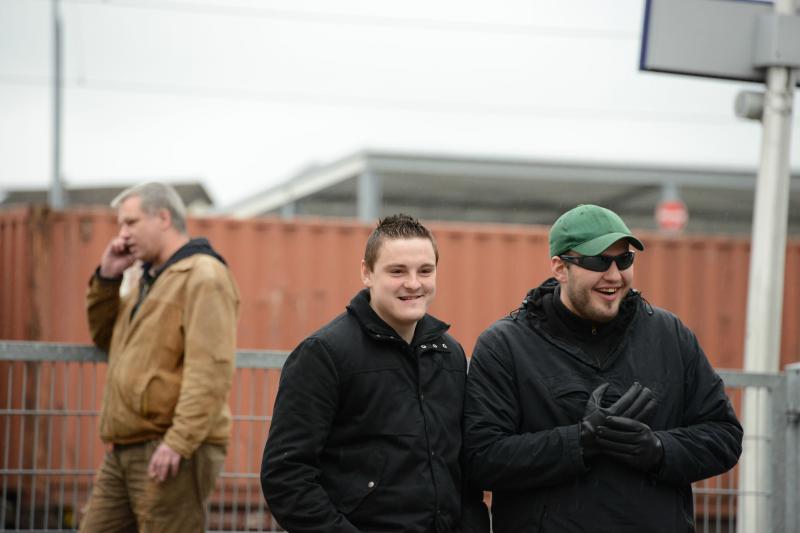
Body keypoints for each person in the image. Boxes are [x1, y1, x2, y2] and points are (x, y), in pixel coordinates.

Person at [463, 204, 743, 533]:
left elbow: (723, 436)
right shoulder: (506, 345)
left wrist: (658, 449)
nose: (613, 275)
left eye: (624, 259)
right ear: (560, 267)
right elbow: (481, 457)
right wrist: (579, 441)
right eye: (598, 261)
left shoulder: (670, 335)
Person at [261, 214, 489, 533]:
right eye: (397, 271)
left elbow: (461, 472)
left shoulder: (449, 355)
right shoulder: (324, 354)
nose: (413, 283)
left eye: (425, 270)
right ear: (367, 273)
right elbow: (286, 477)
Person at [81, 182, 240, 532]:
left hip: (169, 449)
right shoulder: (148, 279)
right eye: (121, 224)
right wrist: (108, 277)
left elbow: (210, 369)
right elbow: (105, 337)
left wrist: (178, 443)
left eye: (131, 222)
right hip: (126, 448)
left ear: (164, 217)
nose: (122, 234)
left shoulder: (203, 275)